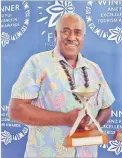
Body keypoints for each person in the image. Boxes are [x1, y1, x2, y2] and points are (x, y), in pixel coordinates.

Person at [9, 13, 115, 158]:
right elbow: (16, 110)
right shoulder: (38, 63)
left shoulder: (94, 69)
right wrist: (65, 118)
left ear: (83, 37)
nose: (71, 37)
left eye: (77, 32)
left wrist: (94, 124)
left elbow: (106, 108)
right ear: (55, 34)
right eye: (65, 31)